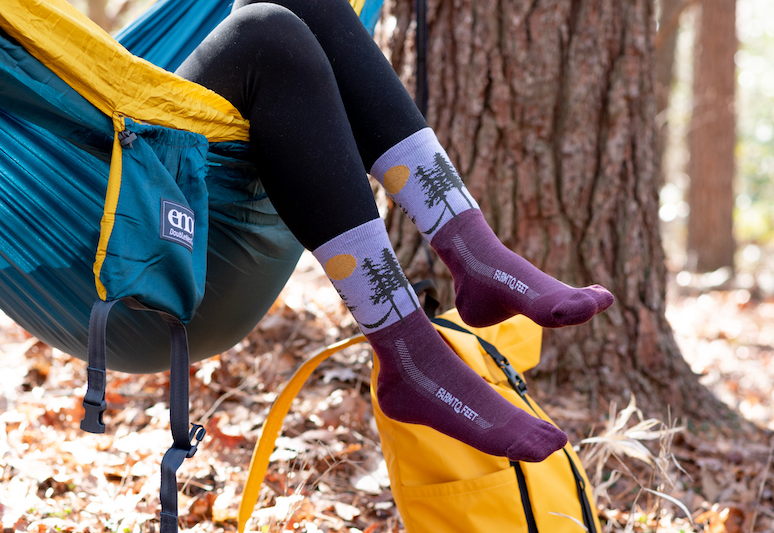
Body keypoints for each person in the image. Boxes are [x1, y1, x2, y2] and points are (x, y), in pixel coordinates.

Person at [174, 0, 613, 462]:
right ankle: (408, 350)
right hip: (115, 183)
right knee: (267, 35)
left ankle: (473, 252)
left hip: (161, 122)